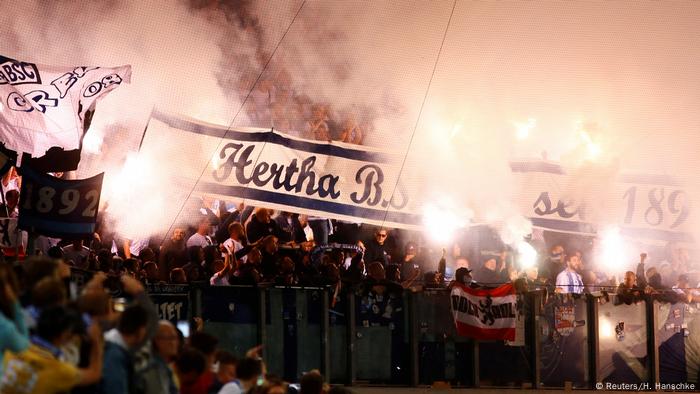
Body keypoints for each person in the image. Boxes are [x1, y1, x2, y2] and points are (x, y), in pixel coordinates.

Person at [0, 305, 104, 394]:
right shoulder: (60, 371)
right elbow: (94, 374)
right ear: (66, 335)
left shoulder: (12, 349)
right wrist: (96, 341)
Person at [100, 276, 158, 394]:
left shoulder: (114, 345)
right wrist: (139, 291)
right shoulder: (114, 355)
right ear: (141, 330)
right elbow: (152, 321)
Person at [139, 321, 179, 394]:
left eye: (175, 337)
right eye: (169, 338)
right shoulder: (152, 369)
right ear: (156, 340)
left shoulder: (164, 366)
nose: (173, 342)